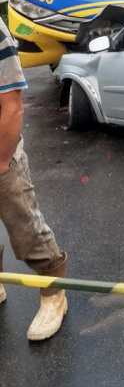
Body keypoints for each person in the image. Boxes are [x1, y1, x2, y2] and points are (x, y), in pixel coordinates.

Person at [0, 17, 68, 341]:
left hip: (1, 155)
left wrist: (1, 161)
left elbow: (12, 106)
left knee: (25, 226)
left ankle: (54, 294)